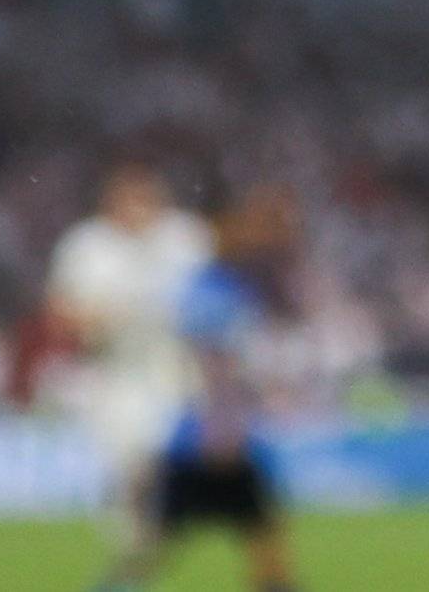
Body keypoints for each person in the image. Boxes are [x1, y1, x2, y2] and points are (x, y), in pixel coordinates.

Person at [92, 185, 304, 592]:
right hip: (210, 440)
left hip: (203, 438)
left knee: (254, 541)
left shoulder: (217, 286)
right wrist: (224, 432)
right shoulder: (215, 290)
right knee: (259, 543)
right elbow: (213, 368)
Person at [45, 164, 209, 573]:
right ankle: (137, 543)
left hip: (176, 367)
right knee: (131, 465)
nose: (140, 210)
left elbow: (218, 272)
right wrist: (102, 318)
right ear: (111, 204)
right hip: (117, 375)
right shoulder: (87, 246)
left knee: (170, 458)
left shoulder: (181, 237)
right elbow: (61, 314)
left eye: (147, 200)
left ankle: (154, 537)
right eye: (130, 201)